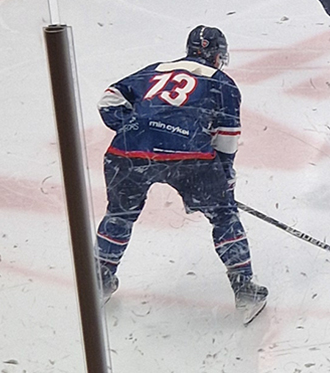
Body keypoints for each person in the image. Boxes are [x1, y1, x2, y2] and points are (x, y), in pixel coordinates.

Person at [94, 26, 268, 322]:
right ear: (217, 55)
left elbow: (108, 100)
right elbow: (226, 138)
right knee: (224, 216)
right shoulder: (222, 82)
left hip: (128, 152)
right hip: (188, 156)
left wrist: (133, 127)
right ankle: (245, 290)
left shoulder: (154, 70)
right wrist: (223, 180)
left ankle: (99, 281)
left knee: (119, 215)